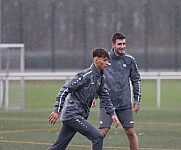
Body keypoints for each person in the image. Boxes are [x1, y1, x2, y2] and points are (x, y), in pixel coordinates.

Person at [47, 48, 120, 150]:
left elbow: (105, 96)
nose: (107, 63)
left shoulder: (100, 78)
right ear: (96, 60)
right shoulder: (85, 75)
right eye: (104, 60)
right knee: (98, 137)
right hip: (72, 115)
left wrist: (112, 114)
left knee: (58, 147)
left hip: (77, 116)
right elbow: (64, 90)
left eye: (108, 60)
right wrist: (56, 110)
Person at [93, 33, 141, 150]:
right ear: (113, 44)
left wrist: (137, 100)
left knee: (130, 131)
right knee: (101, 133)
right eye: (119, 44)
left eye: (124, 44)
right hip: (107, 103)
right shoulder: (104, 59)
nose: (122, 46)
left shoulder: (130, 60)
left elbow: (136, 79)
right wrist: (93, 97)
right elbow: (95, 78)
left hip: (124, 103)